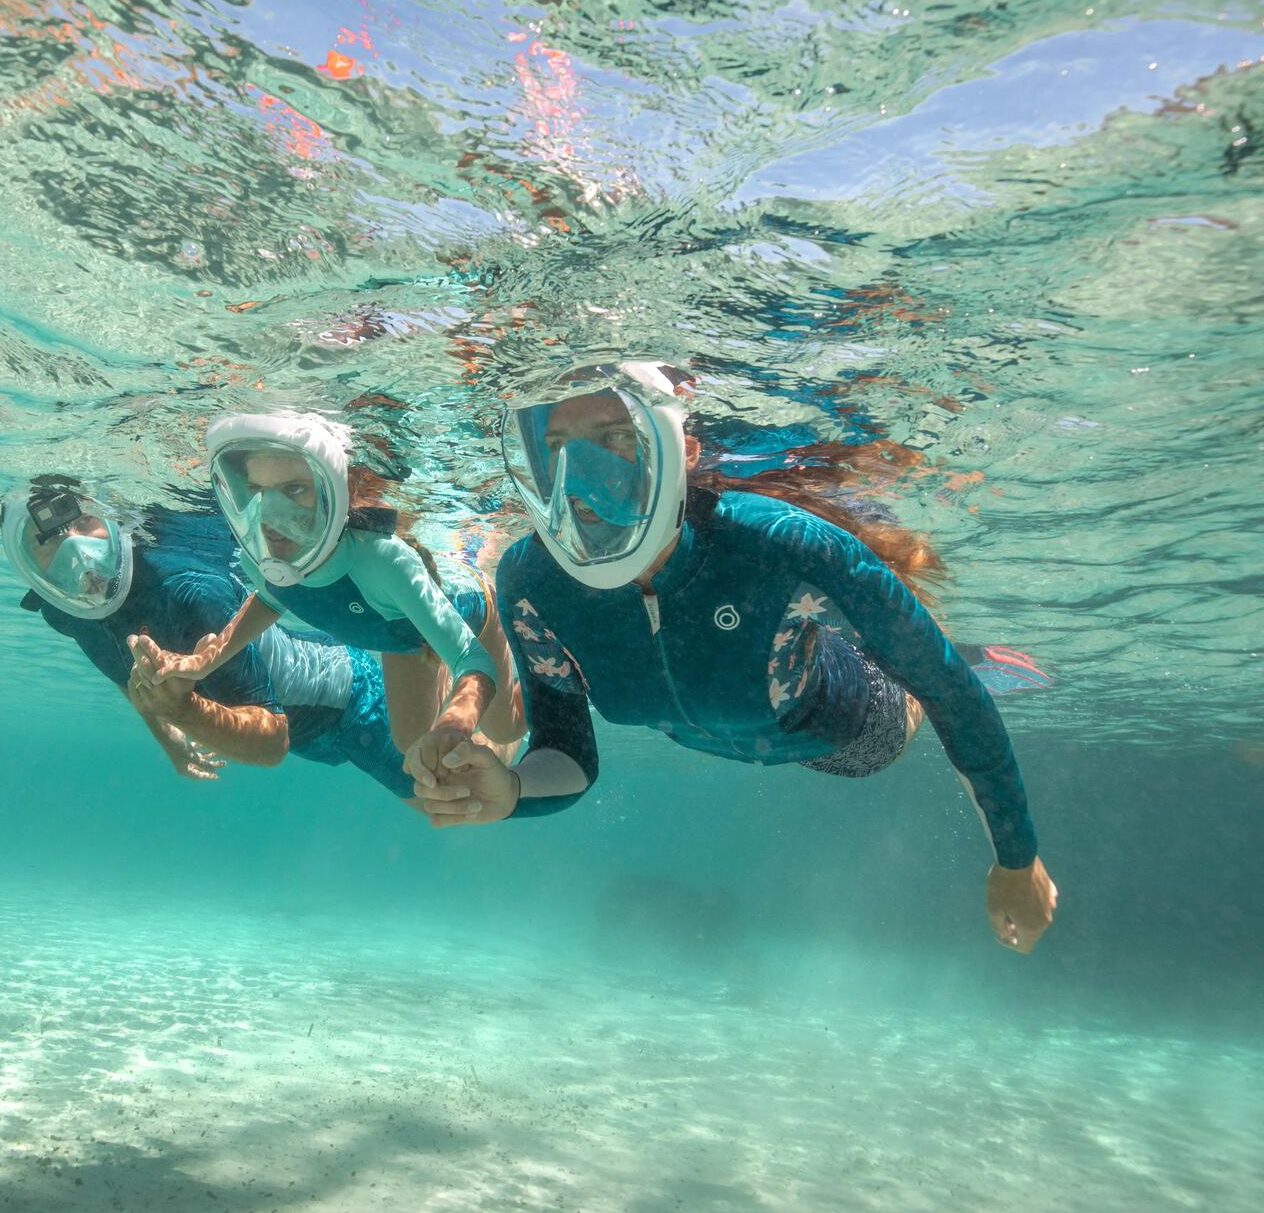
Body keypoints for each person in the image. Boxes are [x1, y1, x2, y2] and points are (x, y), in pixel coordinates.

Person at [406, 363, 1058, 954]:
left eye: (615, 440)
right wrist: (512, 788)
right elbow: (566, 750)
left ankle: (918, 651)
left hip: (848, 732)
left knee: (912, 688)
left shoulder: (784, 546)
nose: (583, 484)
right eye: (557, 451)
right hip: (726, 727)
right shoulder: (532, 580)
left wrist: (1016, 860)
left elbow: (953, 695)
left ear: (683, 449)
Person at [128, 411, 525, 776]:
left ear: (336, 492)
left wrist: (457, 723)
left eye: (295, 489)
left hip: (474, 612)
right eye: (256, 491)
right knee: (408, 743)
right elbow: (272, 598)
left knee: (505, 729)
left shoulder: (382, 562)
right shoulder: (263, 556)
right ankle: (442, 670)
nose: (269, 515)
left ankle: (541, 668)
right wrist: (200, 664)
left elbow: (471, 660)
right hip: (400, 632)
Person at [0, 478, 413, 799]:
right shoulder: (64, 610)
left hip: (352, 702)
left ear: (110, 517)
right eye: (46, 538)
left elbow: (272, 742)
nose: (73, 544)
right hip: (314, 735)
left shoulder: (186, 591)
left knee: (453, 796)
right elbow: (126, 670)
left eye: (83, 521)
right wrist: (171, 739)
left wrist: (183, 713)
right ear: (24, 560)